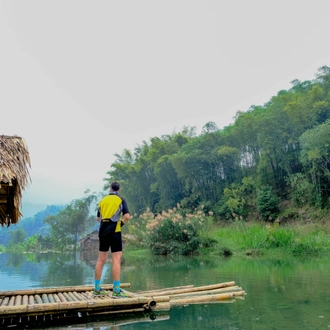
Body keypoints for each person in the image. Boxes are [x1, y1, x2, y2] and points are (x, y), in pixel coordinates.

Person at [93, 181, 131, 298]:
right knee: (116, 259)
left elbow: (98, 218)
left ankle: (97, 288)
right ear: (119, 189)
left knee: (101, 259)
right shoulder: (121, 200)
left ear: (110, 189)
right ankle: (116, 290)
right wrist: (121, 224)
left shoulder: (102, 201)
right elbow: (127, 216)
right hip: (115, 230)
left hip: (103, 230)